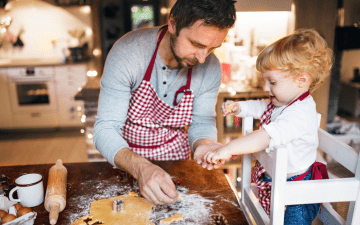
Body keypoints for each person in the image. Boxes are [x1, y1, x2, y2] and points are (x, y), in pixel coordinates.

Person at [93, 0, 236, 205]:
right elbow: (105, 129)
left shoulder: (210, 68)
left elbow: (202, 123)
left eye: (213, 48)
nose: (203, 59)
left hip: (176, 162)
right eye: (197, 45)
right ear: (173, 24)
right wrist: (143, 169)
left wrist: (203, 145)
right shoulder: (129, 53)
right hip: (127, 161)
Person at [204, 29, 333, 224]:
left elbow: (265, 137)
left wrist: (228, 149)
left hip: (296, 194)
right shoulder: (286, 102)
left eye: (272, 82)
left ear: (302, 80)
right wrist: (240, 107)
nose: (266, 88)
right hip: (279, 180)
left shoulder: (299, 114)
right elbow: (262, 107)